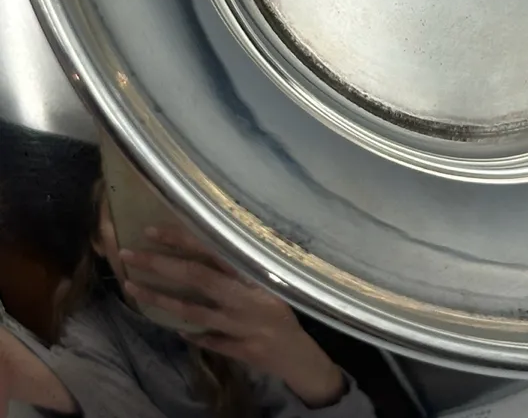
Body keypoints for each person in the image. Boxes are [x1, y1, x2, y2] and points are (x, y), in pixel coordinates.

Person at [0, 174, 376, 418]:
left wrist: (303, 360)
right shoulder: (88, 329)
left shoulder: (241, 315)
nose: (153, 236)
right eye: (128, 215)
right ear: (98, 241)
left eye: (172, 213)